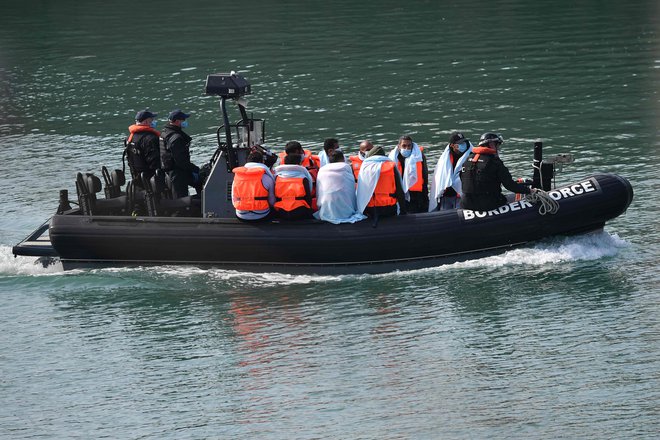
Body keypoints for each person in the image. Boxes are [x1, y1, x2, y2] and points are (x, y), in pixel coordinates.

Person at [460, 132, 535, 211]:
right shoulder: (495, 162)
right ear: (492, 145)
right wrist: (529, 191)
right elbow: (509, 185)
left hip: (466, 203)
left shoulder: (468, 159)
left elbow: (463, 179)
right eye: (497, 145)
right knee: (502, 199)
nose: (498, 148)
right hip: (487, 204)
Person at [315, 150, 367, 224]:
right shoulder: (346, 167)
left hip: (326, 208)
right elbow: (351, 189)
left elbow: (318, 191)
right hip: (345, 208)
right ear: (342, 158)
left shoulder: (322, 169)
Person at [356, 146, 406, 218]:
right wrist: (403, 211)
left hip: (370, 210)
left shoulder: (364, 167)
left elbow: (360, 191)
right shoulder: (391, 166)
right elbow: (399, 190)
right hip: (389, 208)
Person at [160, 109, 200, 198]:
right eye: (183, 120)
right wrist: (195, 169)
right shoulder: (176, 138)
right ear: (178, 121)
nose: (185, 122)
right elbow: (180, 160)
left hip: (170, 170)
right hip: (178, 172)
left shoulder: (164, 133)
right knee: (181, 200)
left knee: (199, 181)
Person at [429, 131, 474, 211]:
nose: (463, 145)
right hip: (447, 196)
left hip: (461, 196)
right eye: (459, 144)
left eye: (464, 142)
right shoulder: (444, 159)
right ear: (452, 145)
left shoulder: (470, 155)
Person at [388, 135, 429, 213]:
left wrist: (425, 194)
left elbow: (424, 175)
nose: (406, 148)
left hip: (417, 192)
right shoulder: (393, 158)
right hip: (400, 192)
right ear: (399, 146)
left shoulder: (418, 156)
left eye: (409, 146)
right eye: (404, 146)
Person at [232, 151, 276, 221]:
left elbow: (233, 199)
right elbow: (272, 202)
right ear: (261, 162)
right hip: (261, 214)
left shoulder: (237, 177)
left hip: (241, 214)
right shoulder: (266, 178)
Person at [124, 109, 161, 186]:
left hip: (136, 177)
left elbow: (129, 159)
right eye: (152, 120)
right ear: (146, 122)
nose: (153, 122)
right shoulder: (151, 138)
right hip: (151, 179)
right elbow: (154, 161)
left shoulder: (129, 138)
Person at [273, 153, 314, 220]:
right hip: (300, 210)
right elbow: (308, 197)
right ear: (299, 163)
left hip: (281, 211)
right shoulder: (303, 178)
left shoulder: (277, 177)